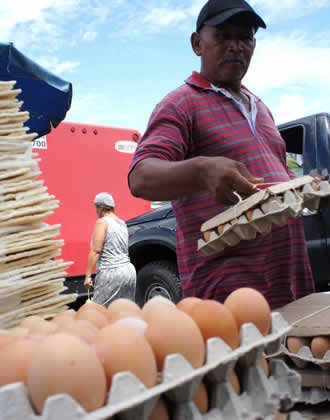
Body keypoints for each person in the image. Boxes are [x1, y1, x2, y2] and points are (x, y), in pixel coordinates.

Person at [128, 0, 315, 309]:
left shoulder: (261, 108)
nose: (236, 46)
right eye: (224, 36)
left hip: (291, 280)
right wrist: (201, 170)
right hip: (231, 296)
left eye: (245, 37)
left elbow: (271, 182)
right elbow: (140, 177)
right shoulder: (181, 104)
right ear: (197, 43)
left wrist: (302, 186)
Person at [84, 192, 137, 305]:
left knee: (99, 312)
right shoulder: (122, 223)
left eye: (96, 208)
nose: (96, 211)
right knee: (123, 309)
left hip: (111, 272)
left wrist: (88, 276)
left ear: (101, 208)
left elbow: (96, 250)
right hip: (128, 271)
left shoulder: (102, 222)